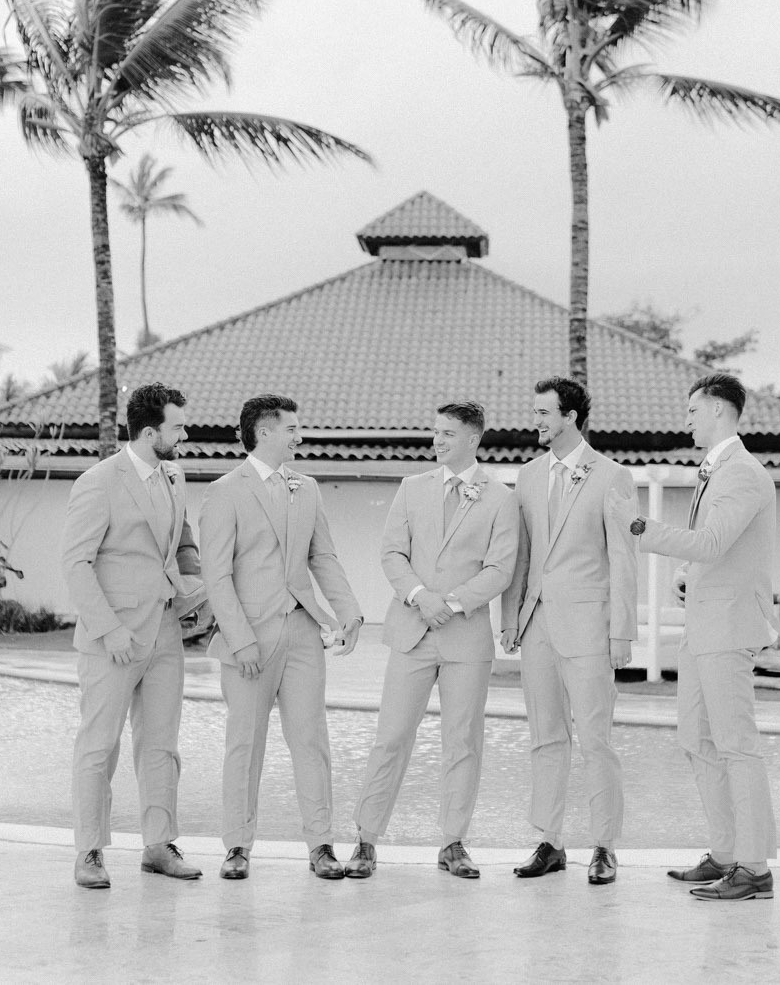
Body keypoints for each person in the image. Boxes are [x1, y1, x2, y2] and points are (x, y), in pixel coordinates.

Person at [609, 373, 778, 901]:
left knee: (736, 745)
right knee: (697, 742)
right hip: (705, 625)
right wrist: (686, 573)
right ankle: (726, 854)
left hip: (728, 628)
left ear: (721, 413)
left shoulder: (743, 473)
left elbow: (712, 541)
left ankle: (754, 868)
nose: (686, 420)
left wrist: (641, 530)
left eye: (692, 411)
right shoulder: (716, 471)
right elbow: (712, 551)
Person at [345, 402, 518, 880]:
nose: (438, 440)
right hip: (412, 630)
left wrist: (455, 602)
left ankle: (453, 843)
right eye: (436, 432)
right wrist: (422, 597)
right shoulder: (411, 488)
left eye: (447, 433)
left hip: (466, 638)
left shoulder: (501, 498)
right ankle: (365, 840)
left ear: (472, 439)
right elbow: (392, 552)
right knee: (391, 738)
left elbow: (501, 568)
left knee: (463, 742)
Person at [199, 394, 363, 881]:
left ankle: (321, 846)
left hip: (302, 634)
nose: (299, 434)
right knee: (244, 744)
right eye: (291, 427)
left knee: (312, 741)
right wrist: (238, 637)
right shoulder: (225, 492)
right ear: (264, 432)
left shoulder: (307, 487)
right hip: (247, 638)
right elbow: (216, 574)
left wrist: (349, 613)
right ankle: (236, 848)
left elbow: (323, 558)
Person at [62, 383, 205, 890]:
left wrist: (195, 589)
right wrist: (110, 630)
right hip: (112, 639)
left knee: (162, 745)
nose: (185, 434)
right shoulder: (98, 482)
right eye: (177, 427)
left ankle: (158, 846)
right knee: (99, 747)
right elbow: (75, 564)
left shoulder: (175, 475)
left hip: (165, 633)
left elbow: (182, 540)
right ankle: (90, 852)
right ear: (149, 432)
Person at [499, 376, 637, 886]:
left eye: (543, 412)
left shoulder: (613, 476)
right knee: (545, 738)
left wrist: (622, 631)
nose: (534, 420)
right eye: (534, 412)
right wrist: (510, 617)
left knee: (596, 739)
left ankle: (604, 846)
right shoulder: (529, 475)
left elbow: (624, 558)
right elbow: (521, 553)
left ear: (570, 417)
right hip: (536, 625)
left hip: (589, 628)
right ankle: (550, 842)